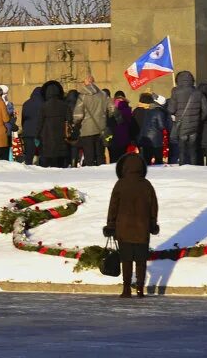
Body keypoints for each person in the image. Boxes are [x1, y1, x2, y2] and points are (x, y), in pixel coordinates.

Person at [103, 152, 159, 298]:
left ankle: (126, 288)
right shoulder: (146, 185)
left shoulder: (120, 184)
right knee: (141, 260)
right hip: (142, 228)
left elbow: (113, 207)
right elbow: (154, 206)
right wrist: (153, 223)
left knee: (126, 259)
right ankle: (140, 288)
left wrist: (110, 225)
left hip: (123, 228)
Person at [166, 71, 207, 166]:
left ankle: (182, 166)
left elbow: (171, 110)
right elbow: (206, 110)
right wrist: (199, 119)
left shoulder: (176, 91)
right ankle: (193, 167)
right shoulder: (198, 92)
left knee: (182, 150)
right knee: (193, 149)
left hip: (181, 125)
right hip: (194, 126)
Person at [75, 77, 109, 167]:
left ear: (85, 84)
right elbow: (112, 109)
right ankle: (101, 176)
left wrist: (75, 124)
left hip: (87, 131)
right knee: (100, 155)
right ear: (93, 82)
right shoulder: (103, 94)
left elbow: (78, 116)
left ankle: (90, 176)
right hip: (101, 129)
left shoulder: (82, 97)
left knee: (89, 156)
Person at [38, 82, 69, 168]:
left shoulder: (44, 106)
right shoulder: (64, 105)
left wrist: (37, 135)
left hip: (47, 136)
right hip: (61, 135)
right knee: (60, 162)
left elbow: (40, 122)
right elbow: (69, 119)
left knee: (49, 161)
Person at [137, 95, 170, 166]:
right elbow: (162, 126)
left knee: (147, 160)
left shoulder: (148, 111)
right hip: (156, 140)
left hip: (146, 139)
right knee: (158, 161)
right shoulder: (160, 112)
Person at [20, 86, 44, 166]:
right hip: (40, 132)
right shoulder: (43, 103)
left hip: (28, 131)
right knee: (42, 154)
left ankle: (28, 168)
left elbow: (23, 118)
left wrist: (24, 128)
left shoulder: (26, 103)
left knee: (28, 154)